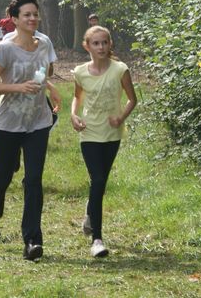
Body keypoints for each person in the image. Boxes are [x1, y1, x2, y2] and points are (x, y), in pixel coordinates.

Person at [0, 0, 61, 261]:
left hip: (38, 120)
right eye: (27, 15)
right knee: (5, 174)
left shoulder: (45, 43)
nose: (32, 18)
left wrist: (50, 87)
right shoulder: (5, 48)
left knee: (34, 180)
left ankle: (32, 240)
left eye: (35, 14)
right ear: (14, 19)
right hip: (8, 123)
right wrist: (18, 87)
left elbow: (45, 72)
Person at [71, 25, 137, 258]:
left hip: (111, 133)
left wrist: (121, 117)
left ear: (110, 44)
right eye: (96, 43)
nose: (101, 47)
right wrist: (73, 115)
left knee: (100, 182)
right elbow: (77, 97)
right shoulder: (80, 72)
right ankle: (97, 239)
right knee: (97, 179)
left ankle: (90, 212)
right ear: (87, 46)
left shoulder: (120, 69)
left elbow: (132, 99)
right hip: (89, 131)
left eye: (104, 42)